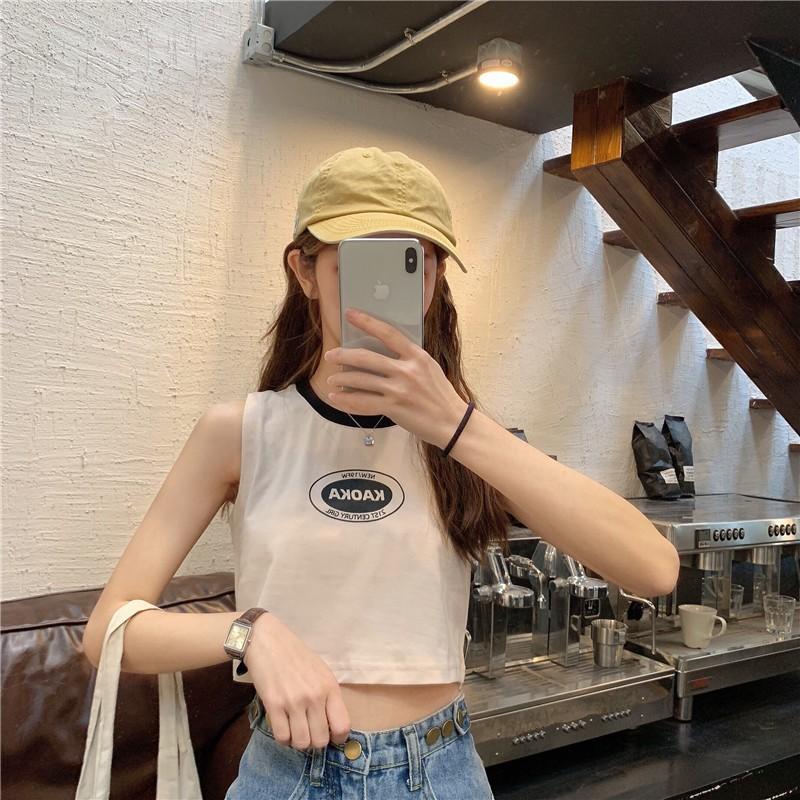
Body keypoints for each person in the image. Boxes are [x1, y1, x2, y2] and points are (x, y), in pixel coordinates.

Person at [82, 145, 680, 799]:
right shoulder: (242, 431)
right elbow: (109, 632)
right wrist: (249, 632)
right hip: (289, 775)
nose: (384, 291)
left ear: (436, 277)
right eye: (357, 262)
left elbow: (653, 569)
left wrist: (457, 426)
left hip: (441, 773)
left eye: (411, 262)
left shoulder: (465, 440)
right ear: (304, 271)